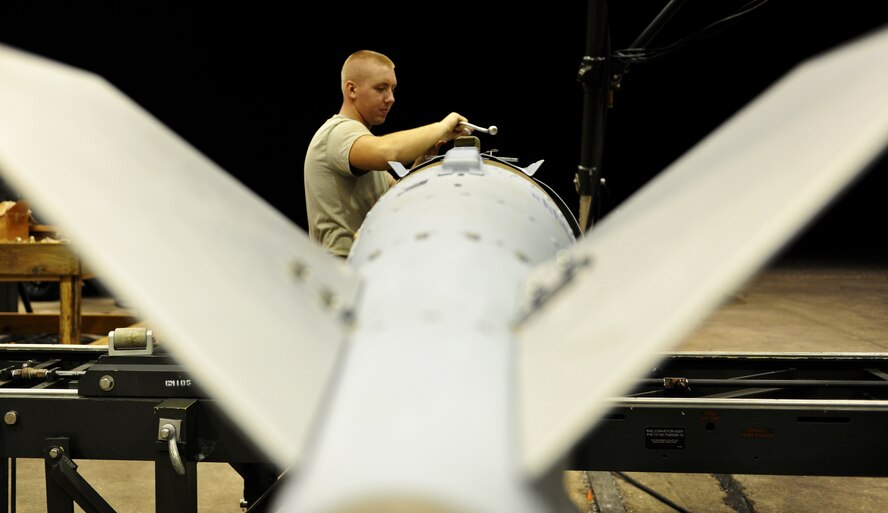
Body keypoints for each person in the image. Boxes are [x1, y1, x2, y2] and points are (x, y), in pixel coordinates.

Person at [303, 49, 471, 257]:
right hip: (342, 272)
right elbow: (388, 153)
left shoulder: (360, 143)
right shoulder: (339, 133)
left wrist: (425, 155)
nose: (390, 98)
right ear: (352, 90)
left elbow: (398, 196)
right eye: (381, 88)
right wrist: (441, 127)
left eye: (392, 89)